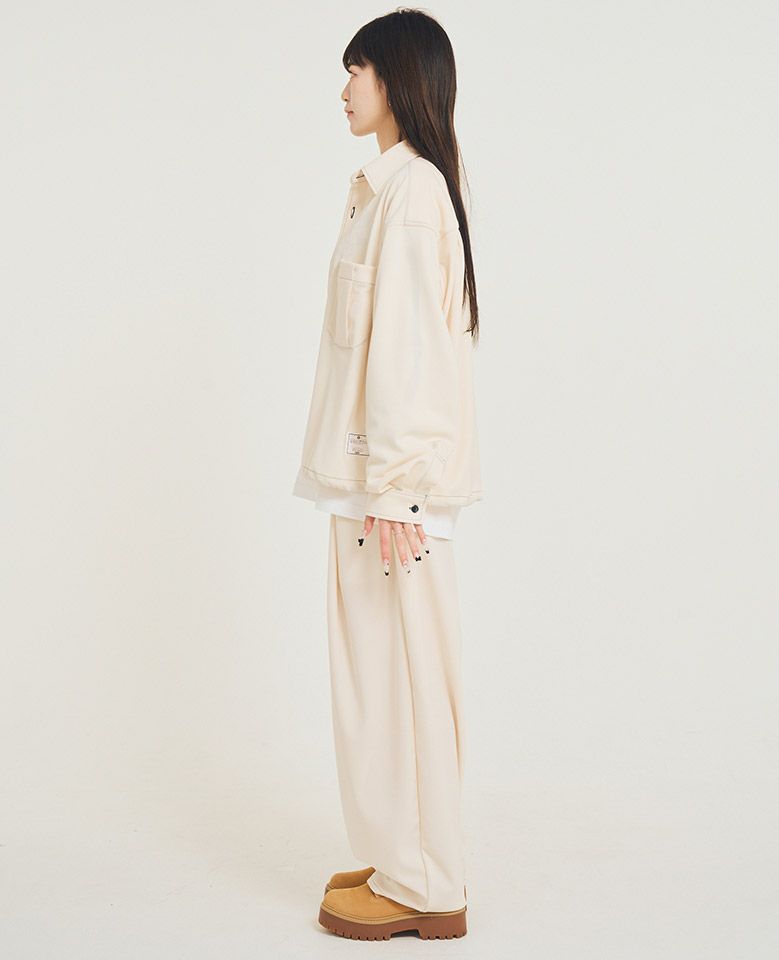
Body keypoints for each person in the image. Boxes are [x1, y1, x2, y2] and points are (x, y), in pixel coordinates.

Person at [291, 8, 483, 941]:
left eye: (356, 71)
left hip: (391, 490)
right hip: (369, 482)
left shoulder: (411, 194)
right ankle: (397, 851)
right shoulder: (384, 190)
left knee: (399, 683)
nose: (344, 89)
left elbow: (411, 351)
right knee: (373, 679)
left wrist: (402, 486)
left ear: (398, 79)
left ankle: (425, 882)